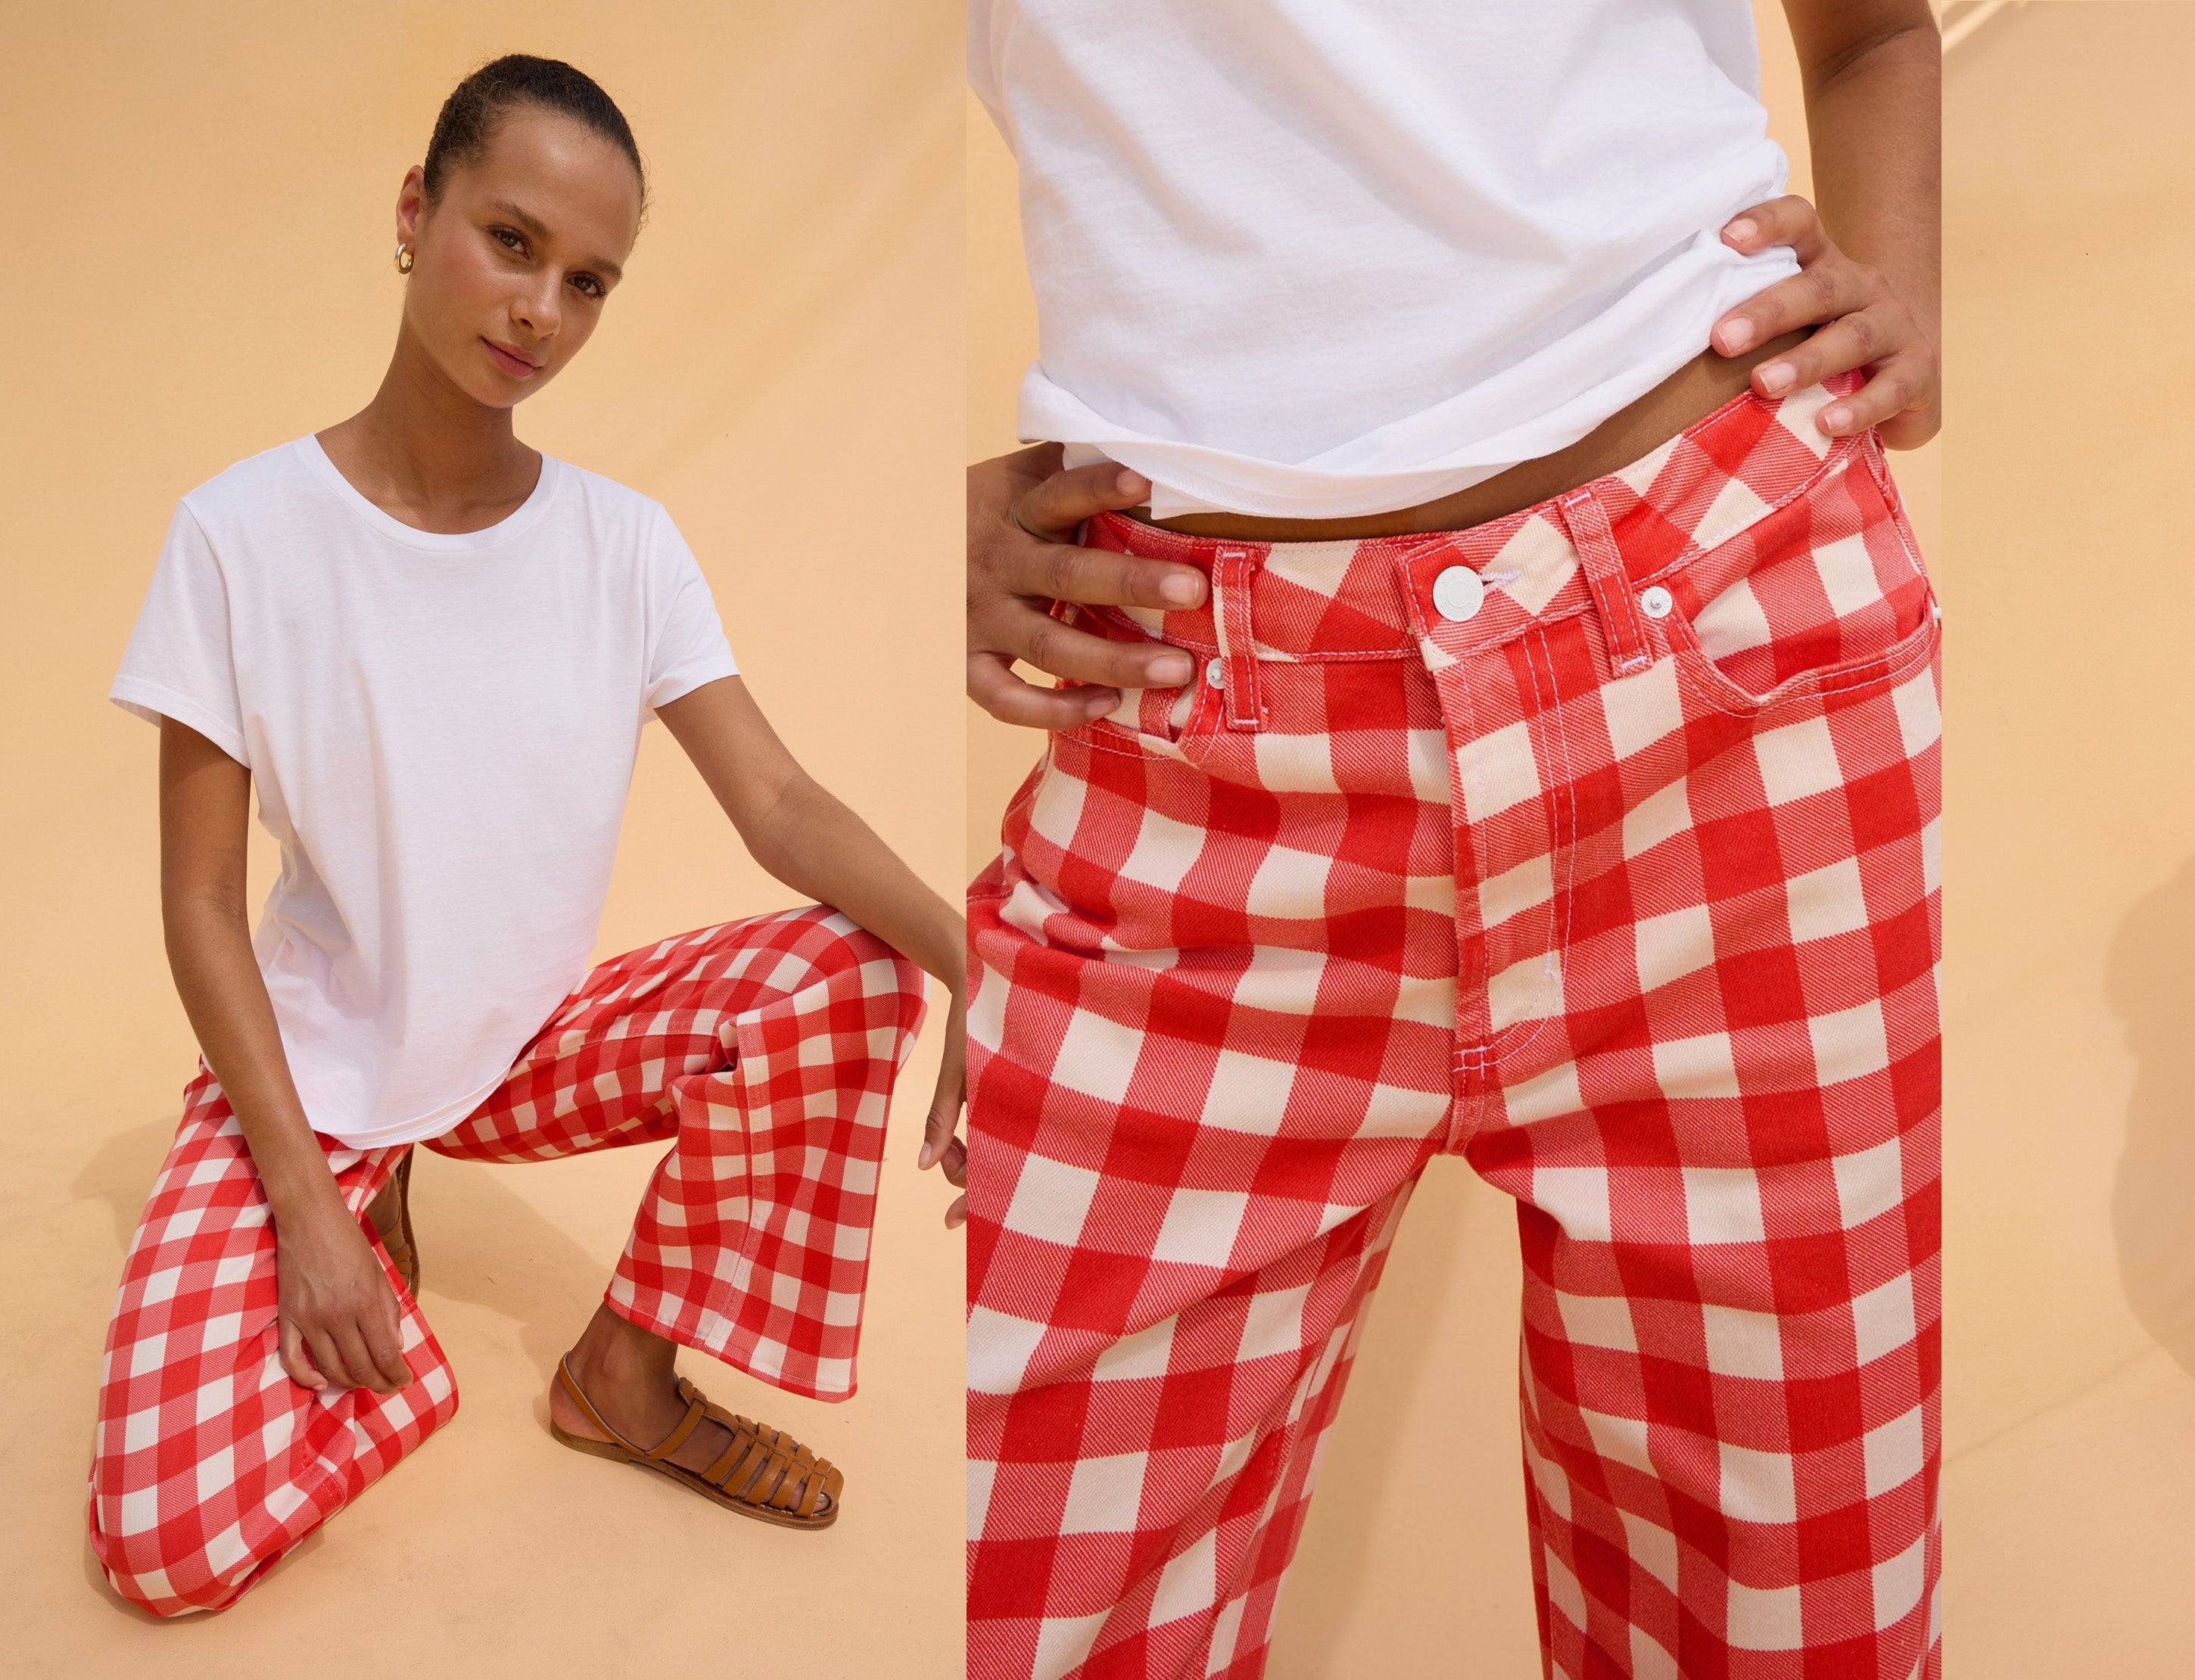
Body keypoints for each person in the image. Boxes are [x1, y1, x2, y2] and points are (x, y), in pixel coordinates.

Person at [940, 4, 1940, 1674]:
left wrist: (1904, 286)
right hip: (1194, 731)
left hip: (1736, 652)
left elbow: (1875, 31)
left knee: (1790, 1622)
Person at [89, 55, 967, 1617]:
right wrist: (306, 1209)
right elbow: (206, 903)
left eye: (589, 282)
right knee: (160, 1545)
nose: (540, 310)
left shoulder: (623, 546)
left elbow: (777, 804)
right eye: (511, 242)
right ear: (417, 215)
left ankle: (623, 1378)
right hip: (317, 1077)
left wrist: (975, 962)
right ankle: (384, 1279)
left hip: (541, 1042)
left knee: (857, 971)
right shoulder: (239, 535)